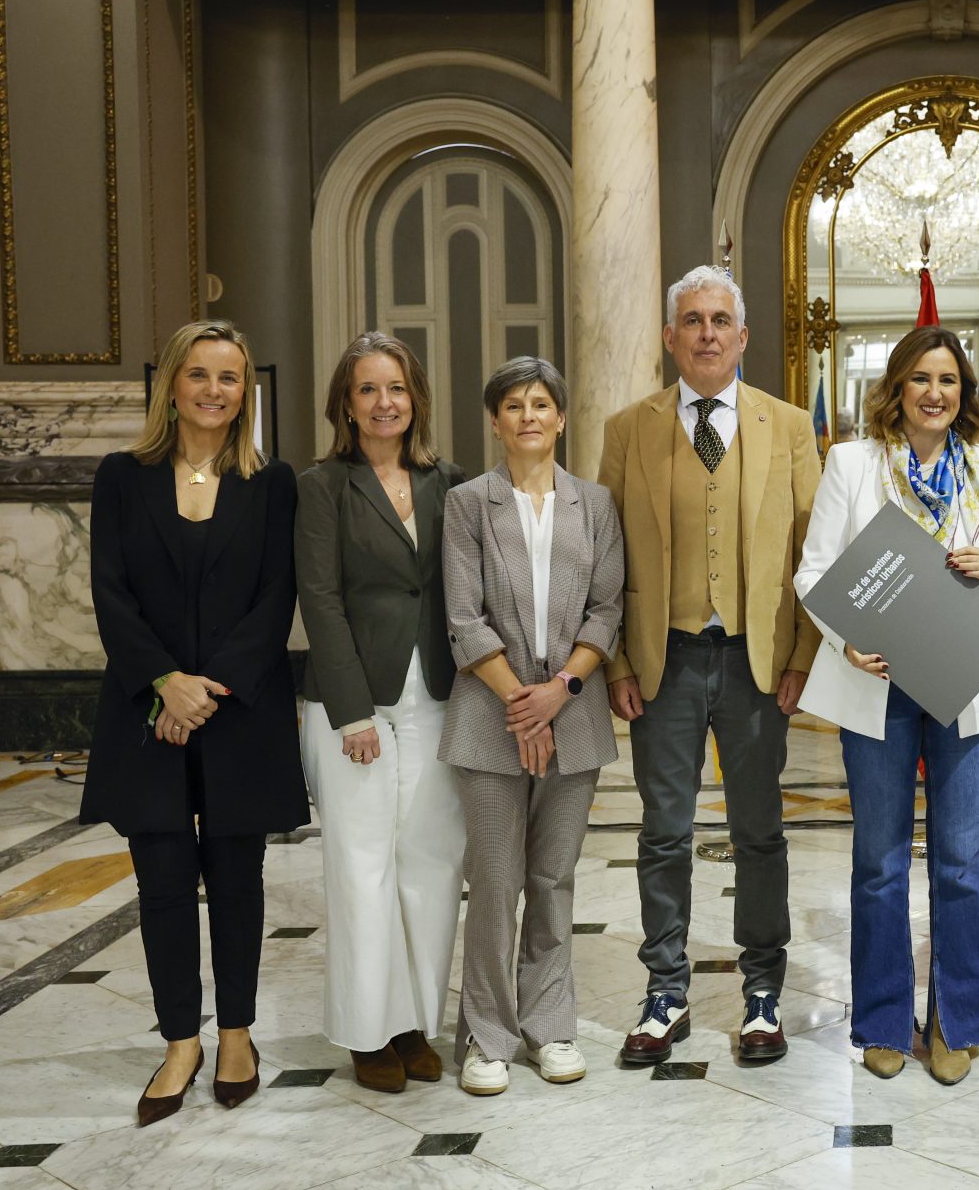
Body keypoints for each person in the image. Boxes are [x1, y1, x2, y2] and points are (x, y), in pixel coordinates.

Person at [792, 325, 979, 1084]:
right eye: (922, 378)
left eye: (949, 380)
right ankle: (883, 1021)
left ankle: (957, 1023)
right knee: (879, 863)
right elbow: (813, 572)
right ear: (896, 387)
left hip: (963, 682)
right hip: (879, 682)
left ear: (965, 393)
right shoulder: (852, 462)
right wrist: (848, 639)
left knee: (962, 864)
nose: (935, 392)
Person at [598, 265, 822, 1068]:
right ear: (670, 336)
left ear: (743, 335)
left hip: (757, 663)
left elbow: (814, 553)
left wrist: (803, 654)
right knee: (664, 832)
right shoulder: (629, 429)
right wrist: (617, 659)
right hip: (666, 661)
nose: (706, 333)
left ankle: (762, 990)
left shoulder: (788, 426)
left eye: (720, 319)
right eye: (691, 320)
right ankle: (666, 990)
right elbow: (605, 555)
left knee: (759, 832)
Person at [84, 320, 304, 1126]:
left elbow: (276, 596)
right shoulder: (122, 477)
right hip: (148, 712)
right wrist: (165, 684)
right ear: (171, 385)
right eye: (200, 374)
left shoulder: (271, 482)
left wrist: (207, 691)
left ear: (246, 392)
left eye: (230, 377)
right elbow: (111, 591)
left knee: (238, 882)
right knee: (165, 883)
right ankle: (181, 1041)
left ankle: (237, 1033)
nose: (215, 389)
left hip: (240, 711)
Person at [440, 357, 625, 1097]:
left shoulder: (595, 503)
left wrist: (559, 691)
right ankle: (486, 1035)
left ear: (561, 417)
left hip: (572, 713)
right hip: (490, 715)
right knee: (494, 881)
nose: (528, 416)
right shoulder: (466, 503)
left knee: (552, 878)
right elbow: (463, 616)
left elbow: (607, 610)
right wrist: (524, 702)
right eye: (513, 405)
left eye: (541, 404)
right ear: (495, 421)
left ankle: (550, 1026)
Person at [295, 331, 468, 1093]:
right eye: (367, 388)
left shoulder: (450, 482)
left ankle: (413, 1022)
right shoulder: (322, 486)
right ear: (346, 402)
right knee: (362, 868)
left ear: (415, 398)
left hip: (438, 694)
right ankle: (368, 1032)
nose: (383, 402)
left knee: (431, 862)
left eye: (395, 387)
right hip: (354, 704)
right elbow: (320, 598)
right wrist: (351, 711)